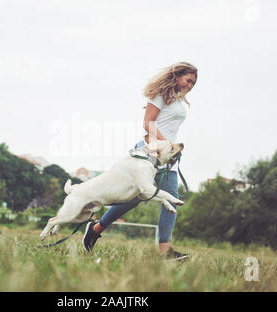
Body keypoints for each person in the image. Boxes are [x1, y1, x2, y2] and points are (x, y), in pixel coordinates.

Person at [82, 62, 198, 261]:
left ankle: (165, 252)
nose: (190, 85)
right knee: (133, 198)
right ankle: (95, 229)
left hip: (167, 157)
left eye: (193, 83)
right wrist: (167, 145)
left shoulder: (177, 100)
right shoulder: (160, 94)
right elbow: (147, 123)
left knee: (171, 200)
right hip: (151, 153)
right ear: (177, 75)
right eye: (188, 80)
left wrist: (171, 151)